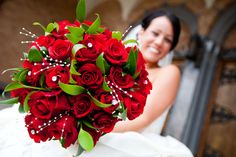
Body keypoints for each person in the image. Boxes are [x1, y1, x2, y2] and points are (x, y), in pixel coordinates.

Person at [0, 10, 193, 157]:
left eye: (168, 40)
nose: (159, 42)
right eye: (155, 33)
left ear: (171, 48)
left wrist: (88, 129)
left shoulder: (169, 72)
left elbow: (143, 119)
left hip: (122, 136)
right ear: (141, 33)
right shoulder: (112, 62)